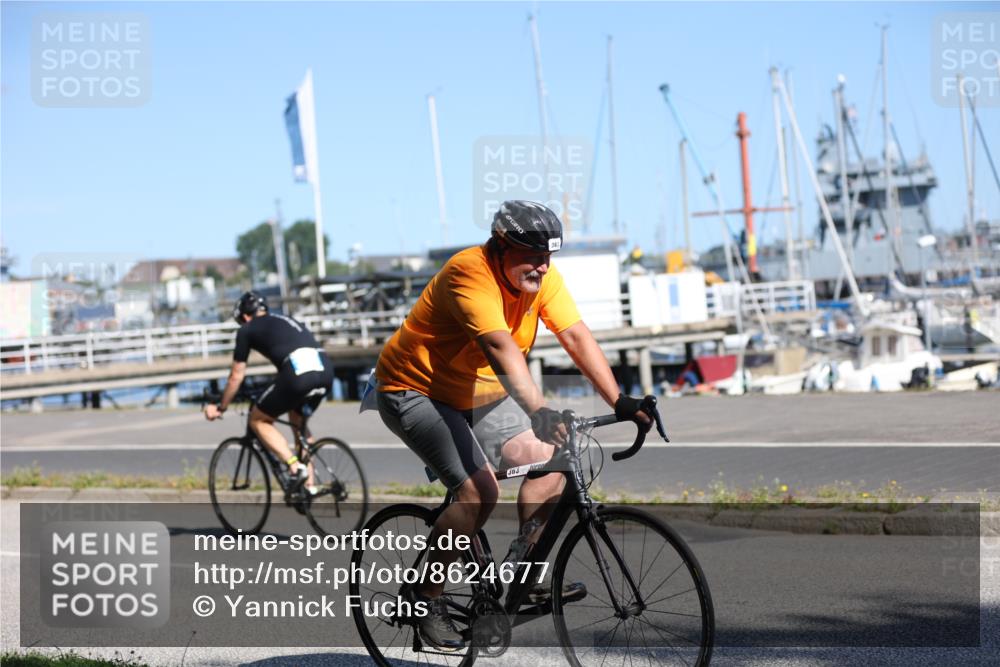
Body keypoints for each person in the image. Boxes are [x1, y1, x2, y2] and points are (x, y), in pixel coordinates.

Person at [374, 200, 651, 649]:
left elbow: (575, 335)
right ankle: (424, 598)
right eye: (532, 255)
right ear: (501, 246)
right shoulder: (470, 273)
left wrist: (620, 400)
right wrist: (540, 411)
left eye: (549, 257)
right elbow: (502, 349)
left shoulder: (542, 277)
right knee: (478, 492)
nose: (543, 267)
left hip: (479, 392)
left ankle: (527, 570)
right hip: (414, 389)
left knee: (550, 462)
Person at [204, 292, 334, 490]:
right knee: (298, 422)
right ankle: (309, 487)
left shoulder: (247, 329)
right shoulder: (286, 319)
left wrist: (222, 406)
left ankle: (294, 466)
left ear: (245, 317)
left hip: (297, 374)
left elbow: (236, 376)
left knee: (258, 419)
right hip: (325, 369)